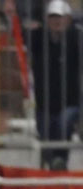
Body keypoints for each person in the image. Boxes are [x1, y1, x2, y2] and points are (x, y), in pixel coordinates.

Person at [30, 0, 82, 170]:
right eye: (52, 17)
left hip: (70, 103)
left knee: (63, 124)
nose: (56, 21)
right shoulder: (39, 39)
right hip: (44, 103)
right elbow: (23, 33)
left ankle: (58, 162)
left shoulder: (75, 40)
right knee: (45, 133)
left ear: (67, 19)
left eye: (59, 17)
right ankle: (55, 164)